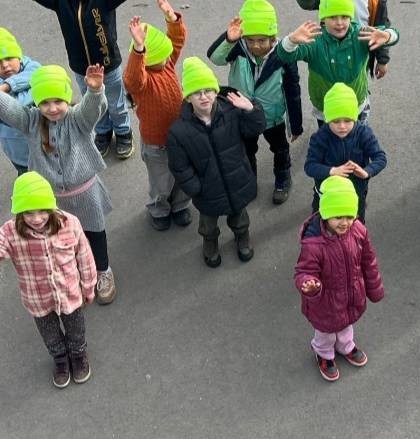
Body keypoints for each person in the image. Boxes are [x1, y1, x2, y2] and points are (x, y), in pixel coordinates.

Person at [0, 62, 119, 304]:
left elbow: (93, 111)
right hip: (54, 201)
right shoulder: (31, 122)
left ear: (67, 99)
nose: (52, 108)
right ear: (37, 103)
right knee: (62, 239)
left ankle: (103, 271)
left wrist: (94, 91)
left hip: (85, 193)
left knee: (94, 234)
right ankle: (75, 272)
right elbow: (11, 110)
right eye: (45, 103)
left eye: (58, 101)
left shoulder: (77, 119)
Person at [0, 172, 96, 388]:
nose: (36, 218)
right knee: (50, 335)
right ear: (18, 212)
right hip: (38, 299)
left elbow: (84, 256)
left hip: (70, 293)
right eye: (28, 213)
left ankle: (78, 355)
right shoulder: (10, 232)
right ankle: (60, 360)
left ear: (51, 206)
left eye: (42, 211)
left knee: (76, 330)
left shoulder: (69, 223)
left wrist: (88, 287)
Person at [166, 58, 267, 267]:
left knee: (239, 216)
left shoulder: (231, 112)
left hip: (236, 180)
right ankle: (210, 243)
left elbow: (255, 129)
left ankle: (242, 236)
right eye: (196, 92)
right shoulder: (178, 132)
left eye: (208, 90)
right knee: (208, 224)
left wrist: (251, 109)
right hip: (207, 190)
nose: (203, 96)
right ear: (187, 98)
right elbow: (179, 166)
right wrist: (196, 188)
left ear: (215, 91)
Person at [208, 0, 304, 205]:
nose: (256, 45)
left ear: (273, 37)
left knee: (279, 148)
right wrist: (229, 39)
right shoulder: (238, 48)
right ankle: (249, 180)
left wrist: (295, 124)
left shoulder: (284, 55)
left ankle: (282, 177)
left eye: (262, 40)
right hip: (242, 115)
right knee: (246, 150)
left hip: (272, 117)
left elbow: (292, 90)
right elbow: (215, 57)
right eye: (250, 40)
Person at [294, 176, 384, 381]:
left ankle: (345, 346)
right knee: (326, 330)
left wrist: (374, 288)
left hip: (351, 295)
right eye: (337, 217)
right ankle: (323, 352)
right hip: (325, 301)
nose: (345, 222)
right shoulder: (313, 244)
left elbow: (368, 260)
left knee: (346, 323)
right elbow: (303, 272)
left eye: (349, 216)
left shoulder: (358, 230)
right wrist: (309, 285)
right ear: (326, 215)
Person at [31, 0, 136, 158]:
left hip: (108, 65)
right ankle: (103, 132)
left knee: (116, 103)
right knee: (94, 104)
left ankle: (123, 132)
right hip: (82, 69)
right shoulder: (61, 3)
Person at [123, 0, 193, 231]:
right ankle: (159, 208)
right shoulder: (143, 81)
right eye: (162, 56)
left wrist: (171, 19)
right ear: (149, 60)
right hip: (157, 144)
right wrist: (138, 49)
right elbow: (132, 78)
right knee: (161, 182)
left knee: (183, 174)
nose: (169, 57)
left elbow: (177, 40)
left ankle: (181, 204)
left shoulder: (167, 63)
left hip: (181, 137)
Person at [277, 0, 399, 127]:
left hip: (355, 104)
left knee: (357, 140)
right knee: (327, 142)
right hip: (326, 107)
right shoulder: (315, 40)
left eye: (345, 16)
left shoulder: (361, 35)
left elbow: (393, 33)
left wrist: (388, 36)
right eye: (333, 17)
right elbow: (284, 54)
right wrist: (291, 41)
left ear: (351, 17)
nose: (339, 22)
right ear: (323, 18)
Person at [304, 83, 387, 222]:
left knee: (356, 223)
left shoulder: (363, 133)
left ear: (355, 117)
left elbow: (380, 158)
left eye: (348, 120)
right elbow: (310, 166)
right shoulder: (320, 137)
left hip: (355, 194)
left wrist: (366, 172)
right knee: (321, 222)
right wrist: (332, 171)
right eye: (336, 121)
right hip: (327, 194)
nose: (342, 126)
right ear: (327, 118)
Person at [0, 27, 41, 174]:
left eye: (9, 58)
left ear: (19, 56)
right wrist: (30, 88)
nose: (5, 65)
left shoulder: (31, 66)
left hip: (45, 144)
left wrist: (6, 87)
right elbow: (16, 106)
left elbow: (36, 72)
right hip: (19, 150)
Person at [294, 0, 394, 80]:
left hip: (360, 48)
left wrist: (382, 60)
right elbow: (308, 4)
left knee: (358, 80)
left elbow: (382, 27)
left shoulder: (376, 1)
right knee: (329, 79)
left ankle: (359, 100)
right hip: (331, 47)